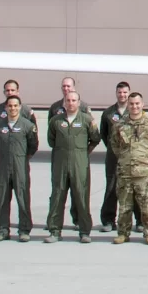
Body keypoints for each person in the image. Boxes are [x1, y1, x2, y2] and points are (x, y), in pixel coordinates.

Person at [108, 88, 148, 244]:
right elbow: (114, 145)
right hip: (125, 172)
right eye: (131, 104)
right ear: (128, 105)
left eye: (137, 103)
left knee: (146, 206)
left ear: (142, 104)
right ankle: (123, 233)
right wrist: (124, 158)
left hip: (144, 173)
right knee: (124, 206)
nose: (134, 106)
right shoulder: (119, 125)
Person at [44, 78, 97, 242]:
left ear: (79, 102)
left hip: (79, 163)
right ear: (64, 103)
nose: (71, 103)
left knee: (81, 196)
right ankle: (54, 231)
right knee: (57, 195)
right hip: (60, 162)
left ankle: (84, 232)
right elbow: (51, 140)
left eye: (74, 100)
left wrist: (82, 152)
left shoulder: (87, 120)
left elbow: (95, 139)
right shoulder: (56, 121)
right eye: (68, 100)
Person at [0, 88, 37, 241]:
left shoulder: (27, 126)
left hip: (20, 166)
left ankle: (24, 230)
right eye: (10, 106)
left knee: (23, 197)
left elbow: (33, 145)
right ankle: (2, 229)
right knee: (2, 198)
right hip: (3, 167)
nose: (13, 108)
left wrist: (22, 157)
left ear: (20, 107)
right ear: (6, 108)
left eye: (15, 106)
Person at [97, 78, 132, 232]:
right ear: (116, 94)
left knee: (133, 188)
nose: (122, 95)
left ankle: (136, 220)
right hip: (113, 157)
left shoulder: (134, 111)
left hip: (130, 157)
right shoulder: (108, 113)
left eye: (125, 92)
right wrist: (113, 148)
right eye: (120, 92)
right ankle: (108, 220)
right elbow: (104, 134)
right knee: (111, 188)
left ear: (129, 93)